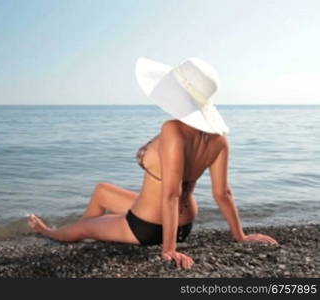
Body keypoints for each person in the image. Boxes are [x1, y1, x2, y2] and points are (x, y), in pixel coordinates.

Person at [28, 57, 278, 270]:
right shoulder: (219, 140)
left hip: (149, 227)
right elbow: (222, 193)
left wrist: (169, 250)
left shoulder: (173, 130)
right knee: (102, 191)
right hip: (184, 223)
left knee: (83, 227)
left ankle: (54, 233)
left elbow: (171, 193)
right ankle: (98, 231)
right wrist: (240, 236)